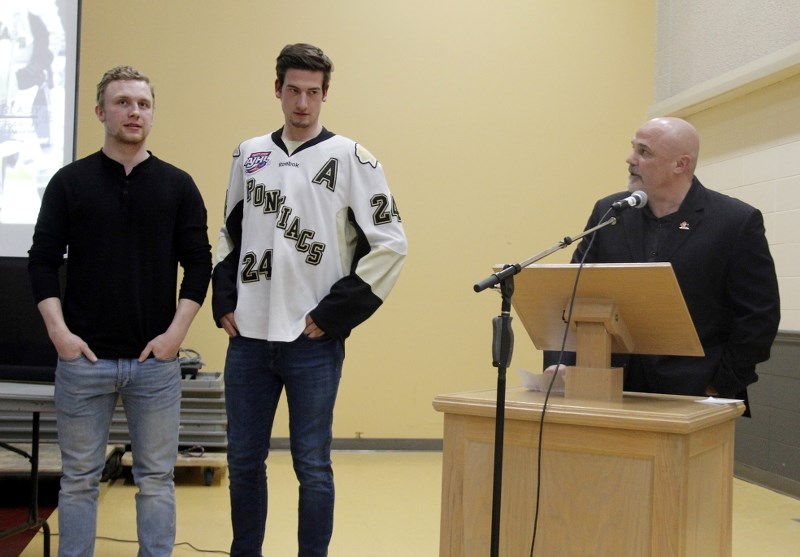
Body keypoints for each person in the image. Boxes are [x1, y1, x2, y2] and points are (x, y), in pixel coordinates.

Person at [212, 43, 407, 556]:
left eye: (313, 93)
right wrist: (225, 299)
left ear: (325, 95)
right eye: (294, 91)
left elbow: (391, 242)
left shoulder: (351, 158)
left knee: (313, 466)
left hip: (311, 341)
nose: (303, 103)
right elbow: (228, 235)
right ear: (277, 89)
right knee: (242, 462)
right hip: (248, 339)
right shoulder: (248, 153)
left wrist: (333, 316)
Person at [28, 65, 212, 556]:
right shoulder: (70, 183)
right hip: (82, 362)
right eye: (123, 102)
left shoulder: (178, 186)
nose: (135, 111)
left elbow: (199, 263)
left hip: (155, 365)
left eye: (143, 104)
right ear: (100, 111)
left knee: (156, 481)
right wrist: (60, 336)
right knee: (79, 481)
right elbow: (42, 261)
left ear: (152, 113)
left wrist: (176, 333)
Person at [544, 117, 780, 413]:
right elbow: (573, 294)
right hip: (605, 387)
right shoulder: (610, 212)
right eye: (634, 149)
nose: (631, 160)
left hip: (691, 394)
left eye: (644, 152)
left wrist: (717, 385)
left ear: (680, 164)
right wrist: (562, 363)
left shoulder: (734, 222)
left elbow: (759, 316)